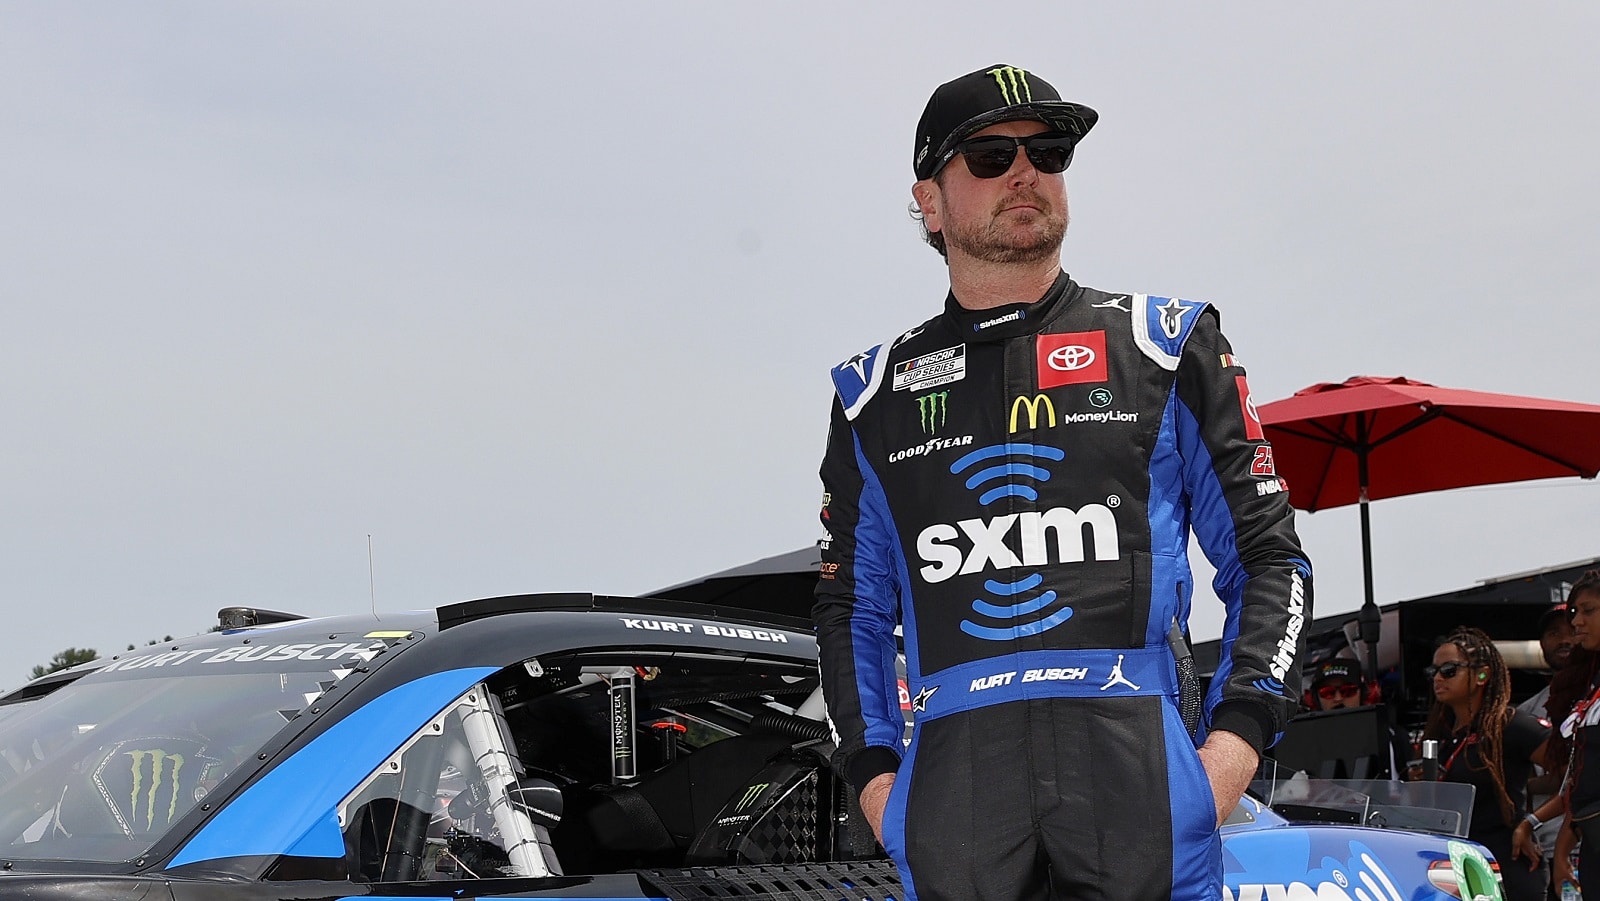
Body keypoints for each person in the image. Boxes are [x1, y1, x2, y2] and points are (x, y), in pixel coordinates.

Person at [813, 63, 1312, 901]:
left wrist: (1228, 755)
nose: (1025, 171)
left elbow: (1270, 559)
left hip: (1143, 794)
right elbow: (848, 609)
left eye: (1048, 151)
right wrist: (879, 788)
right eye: (989, 155)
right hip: (957, 809)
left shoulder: (1165, 345)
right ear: (928, 201)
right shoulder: (875, 394)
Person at [1423, 626, 1550, 901]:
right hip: (1457, 867)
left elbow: (1577, 770)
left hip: (1508, 862)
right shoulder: (1439, 732)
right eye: (1433, 671)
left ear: (1482, 675)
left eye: (1449, 670)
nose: (1438, 679)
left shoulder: (1509, 724)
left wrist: (1531, 821)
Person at [1544, 571, 1600, 896]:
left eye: (1588, 611)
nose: (1576, 621)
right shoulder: (1592, 681)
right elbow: (1578, 784)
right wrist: (1563, 849)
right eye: (1575, 612)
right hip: (1590, 845)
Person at [1517, 600, 1576, 898]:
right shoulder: (1527, 712)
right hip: (1549, 849)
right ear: (1541, 644)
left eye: (1571, 630)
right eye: (1554, 633)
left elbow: (1574, 774)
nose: (1564, 639)